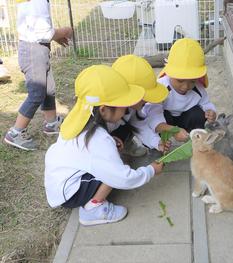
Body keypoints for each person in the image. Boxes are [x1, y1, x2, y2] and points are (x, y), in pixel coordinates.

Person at [44, 65, 164, 226]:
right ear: (104, 110)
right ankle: (93, 209)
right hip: (69, 193)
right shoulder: (99, 139)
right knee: (115, 170)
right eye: (123, 106)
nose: (125, 110)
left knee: (113, 164)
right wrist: (150, 171)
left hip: (61, 182)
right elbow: (123, 178)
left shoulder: (80, 120)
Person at [4, 0, 72, 151]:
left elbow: (38, 30)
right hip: (33, 52)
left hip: (37, 51)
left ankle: (51, 123)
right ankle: (16, 133)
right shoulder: (38, 2)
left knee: (48, 88)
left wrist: (55, 36)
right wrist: (64, 31)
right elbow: (44, 33)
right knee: (37, 94)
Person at [146, 38, 217, 142]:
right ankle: (162, 143)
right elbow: (152, 116)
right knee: (160, 116)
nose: (185, 87)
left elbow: (206, 103)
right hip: (166, 121)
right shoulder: (162, 87)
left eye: (192, 81)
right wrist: (173, 130)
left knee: (197, 114)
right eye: (180, 80)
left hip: (186, 118)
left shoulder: (198, 88)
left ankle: (195, 141)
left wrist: (211, 111)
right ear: (169, 73)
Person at [111, 54, 171, 155]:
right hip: (96, 147)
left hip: (111, 137)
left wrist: (157, 143)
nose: (147, 101)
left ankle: (124, 145)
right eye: (143, 97)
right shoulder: (103, 112)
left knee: (129, 125)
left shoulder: (132, 108)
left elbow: (140, 126)